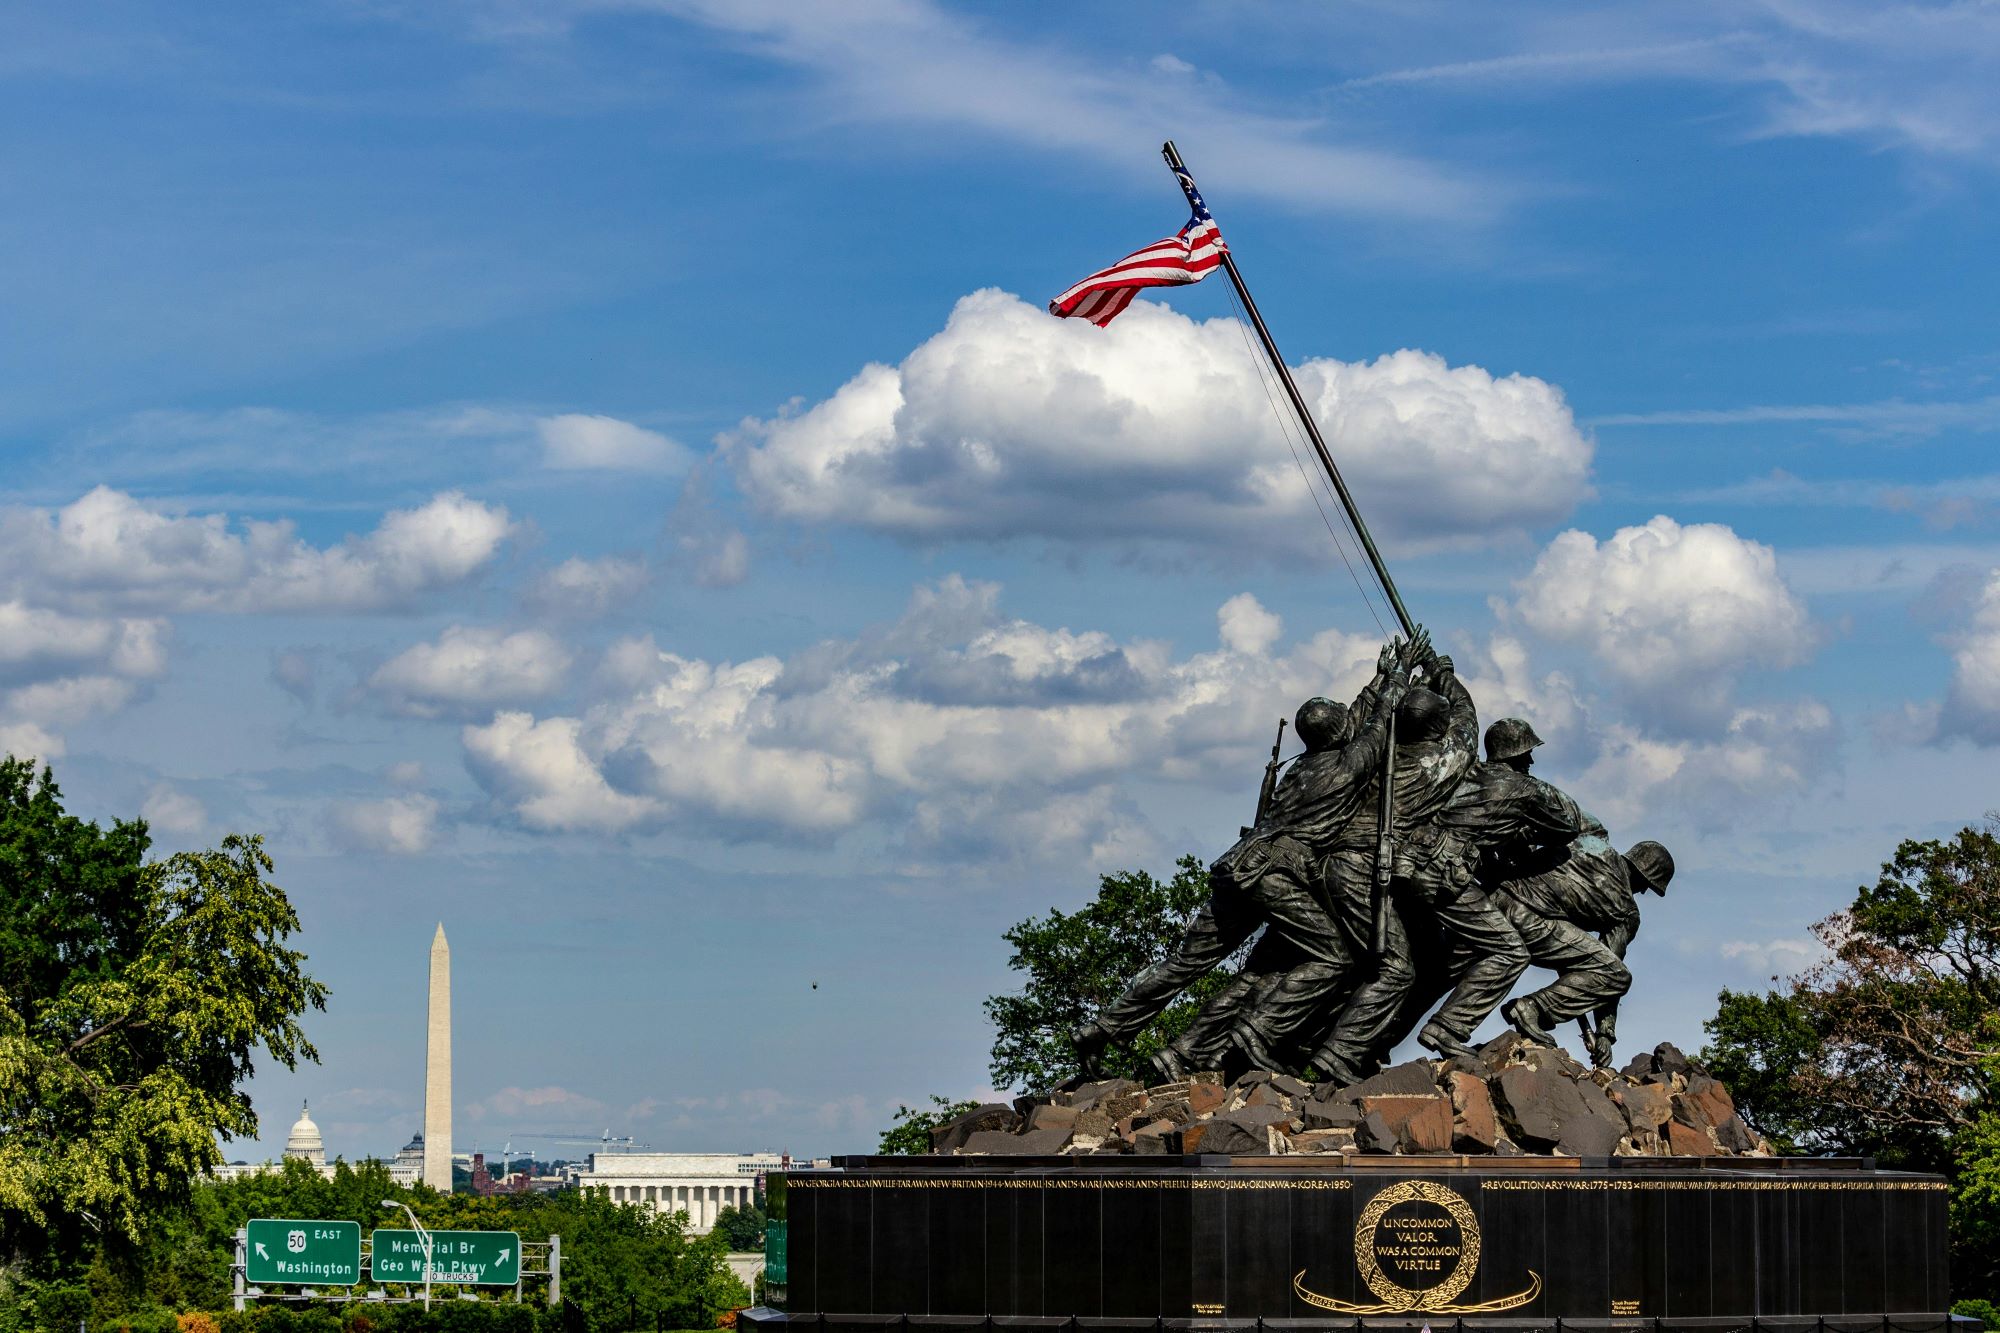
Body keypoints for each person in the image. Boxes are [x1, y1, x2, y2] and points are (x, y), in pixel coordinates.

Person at [1071, 635, 1419, 1082]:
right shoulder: (1348, 766)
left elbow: (1354, 720)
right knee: (1334, 956)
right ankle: (1257, 1035)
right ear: (1340, 734)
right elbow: (1376, 725)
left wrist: (1378, 678)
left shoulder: (1304, 766)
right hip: (1275, 875)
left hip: (1238, 866)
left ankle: (1102, 1030)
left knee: (1184, 963)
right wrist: (1397, 676)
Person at [1306, 649, 1529, 1078]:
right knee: (1395, 968)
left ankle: (1358, 1043)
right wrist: (1444, 673)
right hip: (1362, 869)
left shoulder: (1373, 755)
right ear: (1436, 727)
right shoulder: (1439, 765)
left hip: (1335, 863)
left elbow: (1361, 721)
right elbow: (1468, 718)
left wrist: (1394, 678)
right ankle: (1336, 1052)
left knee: (1424, 957)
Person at [1494, 821, 1675, 1069]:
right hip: (1530, 921)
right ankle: (1533, 1008)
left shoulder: (1592, 842)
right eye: (1648, 887)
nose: (1643, 893)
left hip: (1494, 898)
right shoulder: (1626, 911)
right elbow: (1608, 970)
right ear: (1645, 877)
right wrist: (1605, 1033)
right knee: (1617, 976)